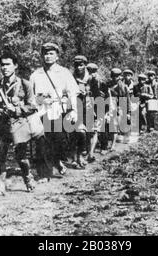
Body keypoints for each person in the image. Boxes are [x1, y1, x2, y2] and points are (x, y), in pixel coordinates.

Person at [0, 52, 40, 197]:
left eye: (8, 64)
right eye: (2, 65)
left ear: (15, 66)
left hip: (19, 124)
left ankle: (27, 177)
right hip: (1, 125)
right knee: (0, 156)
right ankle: (1, 188)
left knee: (21, 157)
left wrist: (17, 109)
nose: (4, 68)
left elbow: (32, 106)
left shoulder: (25, 84)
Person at [30, 42, 79, 180]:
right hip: (41, 112)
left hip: (58, 111)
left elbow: (72, 93)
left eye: (51, 53)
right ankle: (44, 174)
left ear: (57, 56)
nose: (48, 56)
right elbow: (31, 97)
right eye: (45, 53)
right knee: (42, 142)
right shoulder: (36, 75)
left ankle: (57, 161)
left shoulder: (64, 73)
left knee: (59, 141)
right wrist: (40, 101)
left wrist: (74, 110)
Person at [85, 63, 107, 162]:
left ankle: (91, 153)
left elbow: (107, 96)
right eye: (90, 71)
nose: (92, 73)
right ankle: (88, 151)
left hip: (98, 108)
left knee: (95, 131)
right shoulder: (85, 81)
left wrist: (106, 111)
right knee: (89, 131)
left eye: (93, 71)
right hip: (87, 107)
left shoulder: (101, 82)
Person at [71, 55, 90, 169]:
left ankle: (81, 155)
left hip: (88, 108)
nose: (79, 67)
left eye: (81, 65)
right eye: (76, 65)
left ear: (85, 65)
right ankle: (74, 158)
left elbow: (99, 94)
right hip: (74, 107)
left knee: (85, 133)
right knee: (74, 133)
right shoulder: (71, 77)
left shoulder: (91, 78)